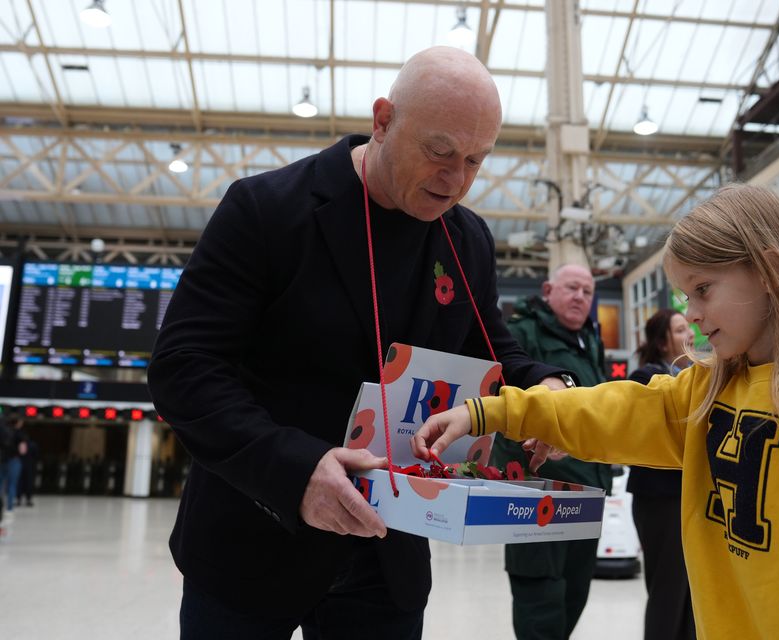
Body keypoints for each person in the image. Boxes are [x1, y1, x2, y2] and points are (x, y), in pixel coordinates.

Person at [147, 46, 568, 640]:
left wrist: (552, 389)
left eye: (476, 160)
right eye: (439, 152)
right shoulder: (266, 210)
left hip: (386, 556)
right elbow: (184, 368)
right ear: (382, 120)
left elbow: (494, 351)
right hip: (253, 537)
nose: (456, 181)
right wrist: (296, 471)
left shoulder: (467, 239)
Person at [414, 184, 779, 639]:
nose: (692, 315)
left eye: (702, 289)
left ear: (771, 272)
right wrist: (489, 413)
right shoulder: (704, 393)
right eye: (684, 299)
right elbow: (610, 408)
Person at [491, 263, 612, 640]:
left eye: (588, 291)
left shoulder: (590, 340)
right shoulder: (522, 334)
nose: (580, 297)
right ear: (547, 290)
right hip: (538, 493)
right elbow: (500, 397)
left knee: (574, 594)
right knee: (539, 598)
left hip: (587, 495)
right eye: (572, 287)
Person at [627, 308, 696, 640]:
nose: (691, 334)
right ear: (662, 341)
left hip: (690, 497)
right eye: (681, 329)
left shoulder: (697, 375)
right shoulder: (645, 378)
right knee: (668, 591)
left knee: (693, 595)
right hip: (660, 499)